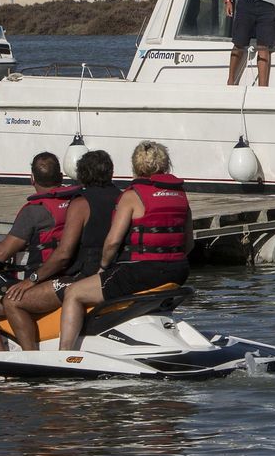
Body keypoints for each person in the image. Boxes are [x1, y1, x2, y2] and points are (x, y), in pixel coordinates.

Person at [58, 142, 192, 352]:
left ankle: (64, 354)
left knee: (74, 293)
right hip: (179, 271)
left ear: (136, 166)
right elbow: (188, 243)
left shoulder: (132, 196)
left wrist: (103, 267)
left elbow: (112, 242)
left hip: (141, 271)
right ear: (166, 164)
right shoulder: (180, 195)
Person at [0, 150, 122, 351]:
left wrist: (32, 279)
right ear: (111, 172)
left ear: (81, 175)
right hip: (114, 271)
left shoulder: (81, 202)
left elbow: (64, 254)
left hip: (82, 276)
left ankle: (33, 360)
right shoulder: (123, 198)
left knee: (13, 301)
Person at [0, 152, 78, 350]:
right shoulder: (76, 201)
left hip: (44, 280)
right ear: (60, 177)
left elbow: (1, 253)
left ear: (32, 178)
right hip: (72, 275)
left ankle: (7, 358)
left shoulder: (34, 211)